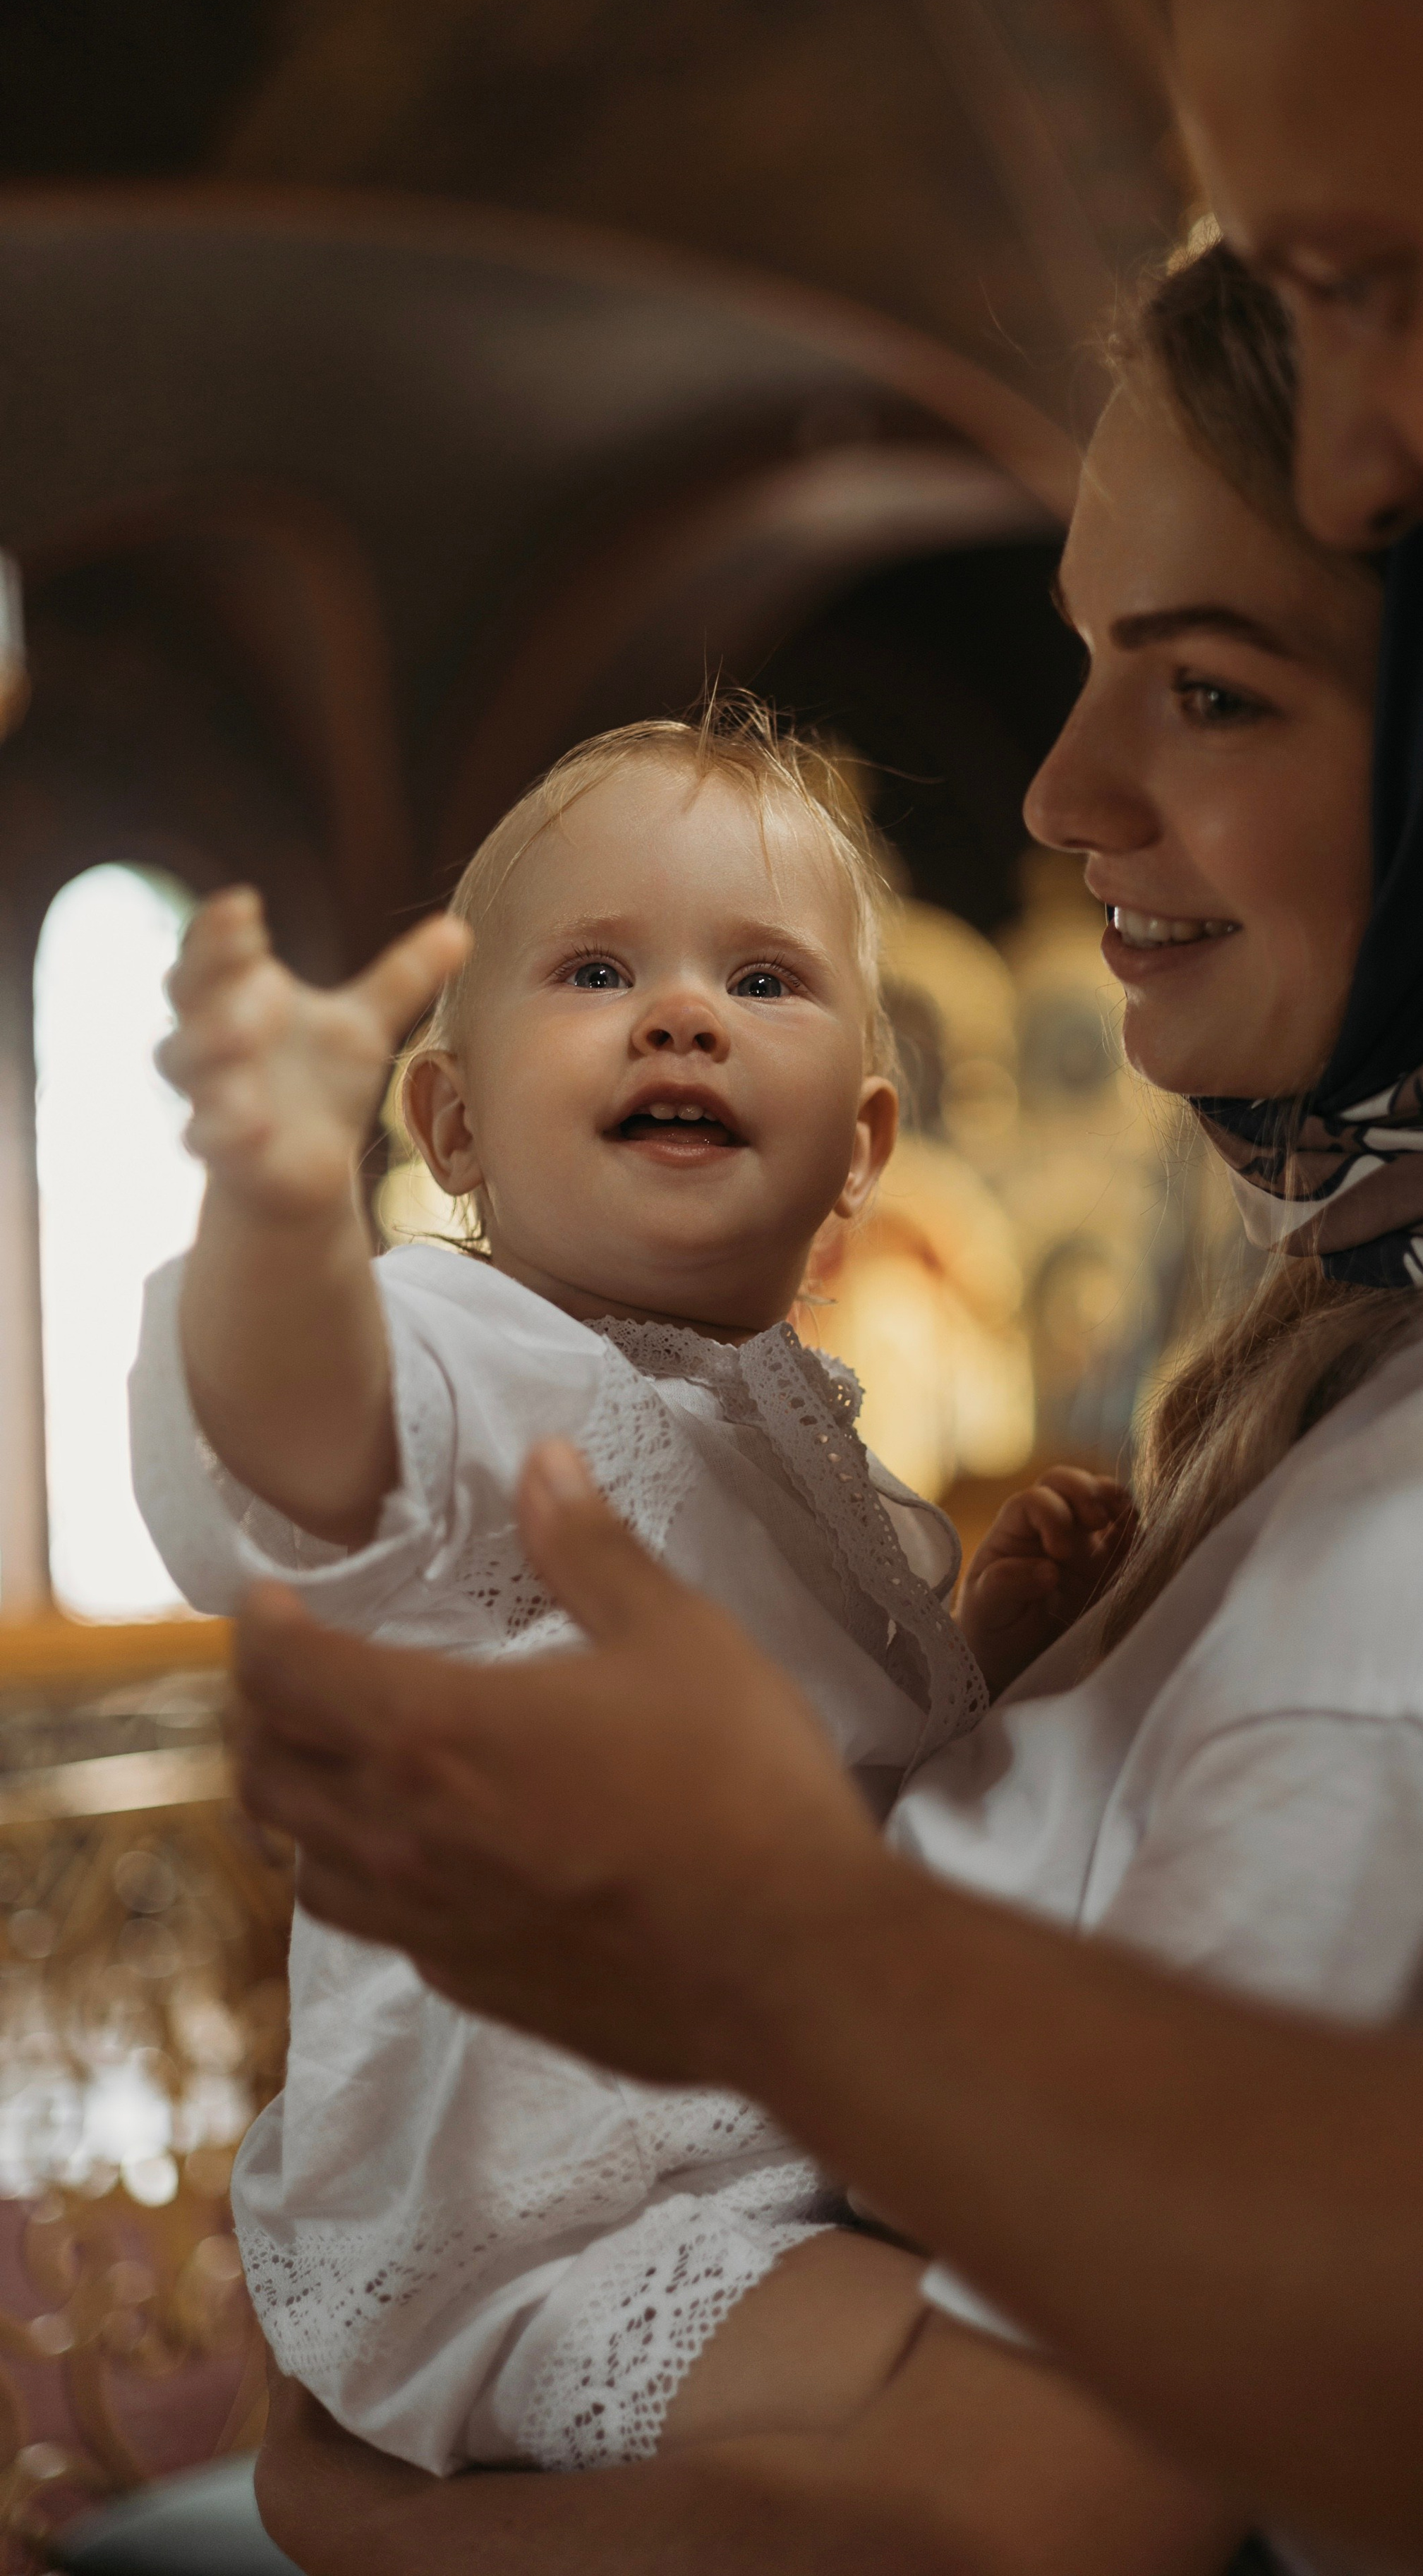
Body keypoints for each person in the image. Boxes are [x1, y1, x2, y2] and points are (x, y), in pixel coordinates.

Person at [240, 236, 1423, 2576]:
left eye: (1219, 695)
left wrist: (332, 2502)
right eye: (1089, 665)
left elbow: (1017, 2523)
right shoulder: (1417, 1346)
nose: (1065, 793)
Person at [133, 705, 1143, 2478]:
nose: (679, 1014)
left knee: (1055, 2344)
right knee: (1028, 2395)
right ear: (446, 1123)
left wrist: (975, 1658)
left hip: (772, 2174)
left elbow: (836, 1798)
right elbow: (295, 1455)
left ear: (860, 1143)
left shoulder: (840, 1473)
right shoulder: (472, 1354)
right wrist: (276, 1220)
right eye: (595, 970)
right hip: (544, 2232)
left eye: (762, 984)